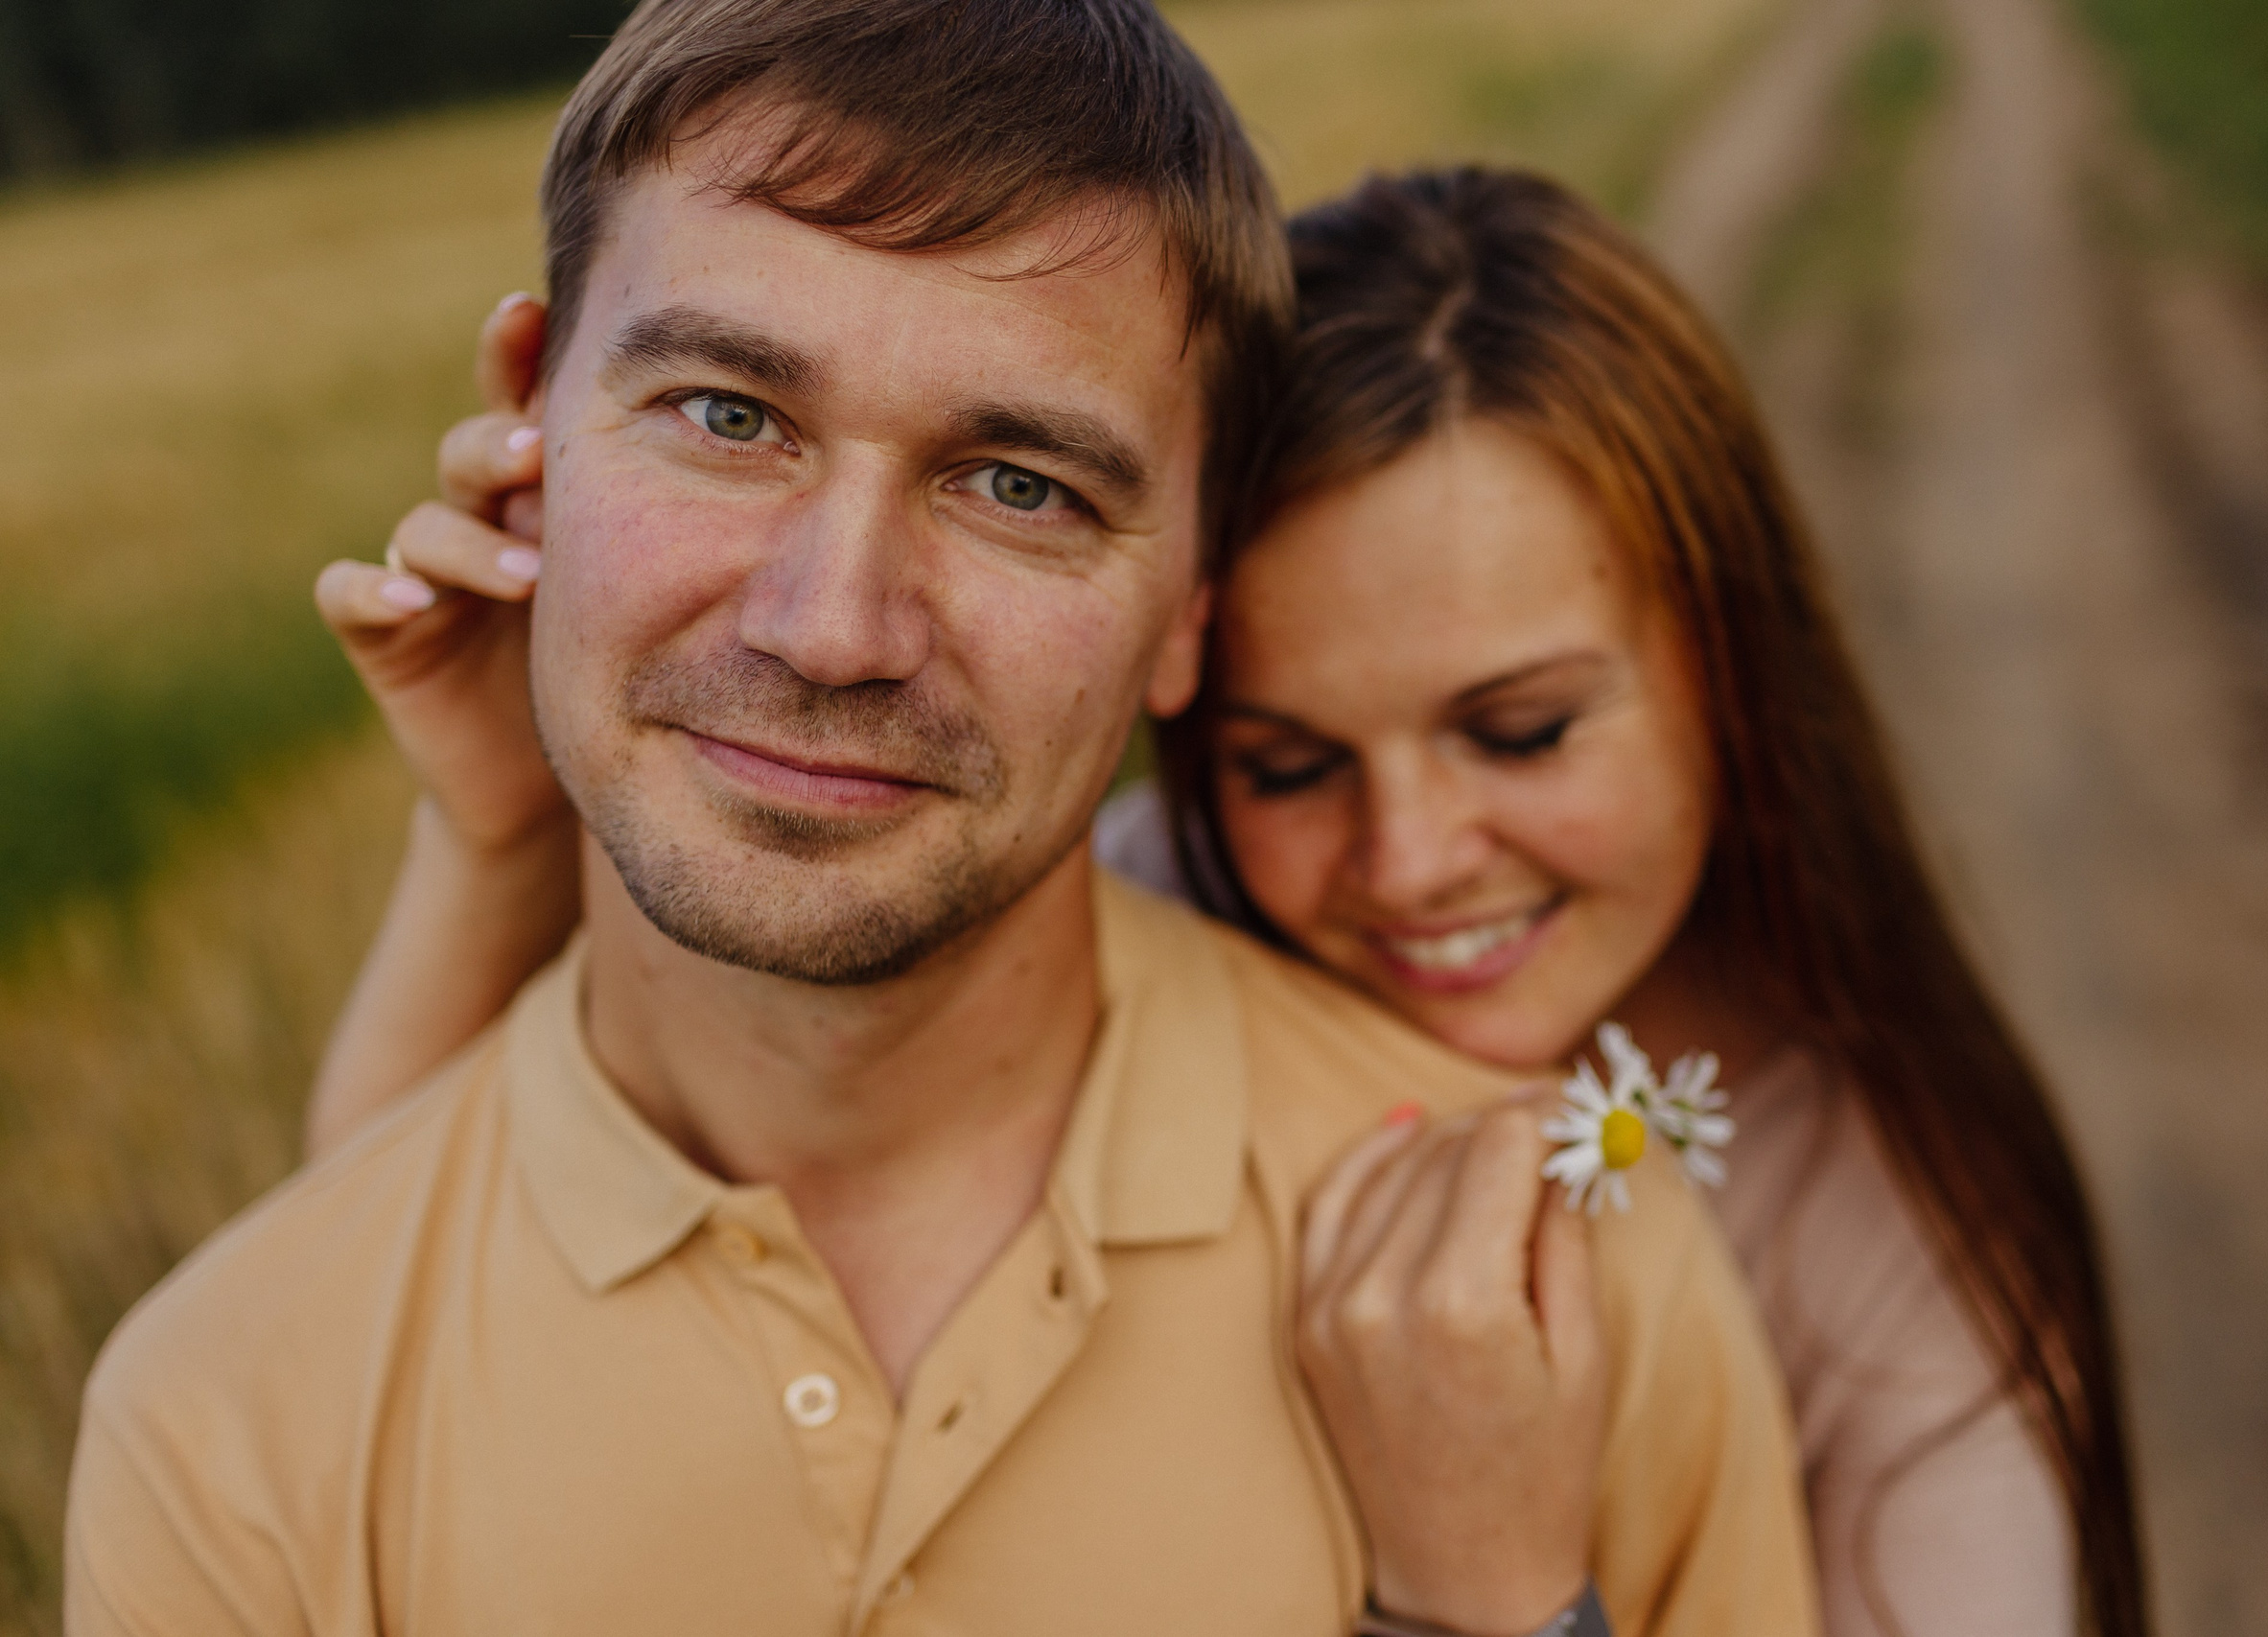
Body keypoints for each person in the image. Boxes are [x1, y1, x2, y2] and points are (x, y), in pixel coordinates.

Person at [62, 6, 1818, 1637]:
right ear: (530, 424)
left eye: (1017, 485)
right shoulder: (225, 1422)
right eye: (728, 415)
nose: (831, 626)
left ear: (1195, 605)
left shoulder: (1542, 1298)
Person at [310, 162, 2153, 1637]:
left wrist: (1499, 1603)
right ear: (1175, 674)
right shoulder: (1099, 928)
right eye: (1287, 766)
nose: (1412, 858)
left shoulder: (1901, 1265)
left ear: (1731, 674)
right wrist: (498, 825)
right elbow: (386, 1302)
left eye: (1518, 731)